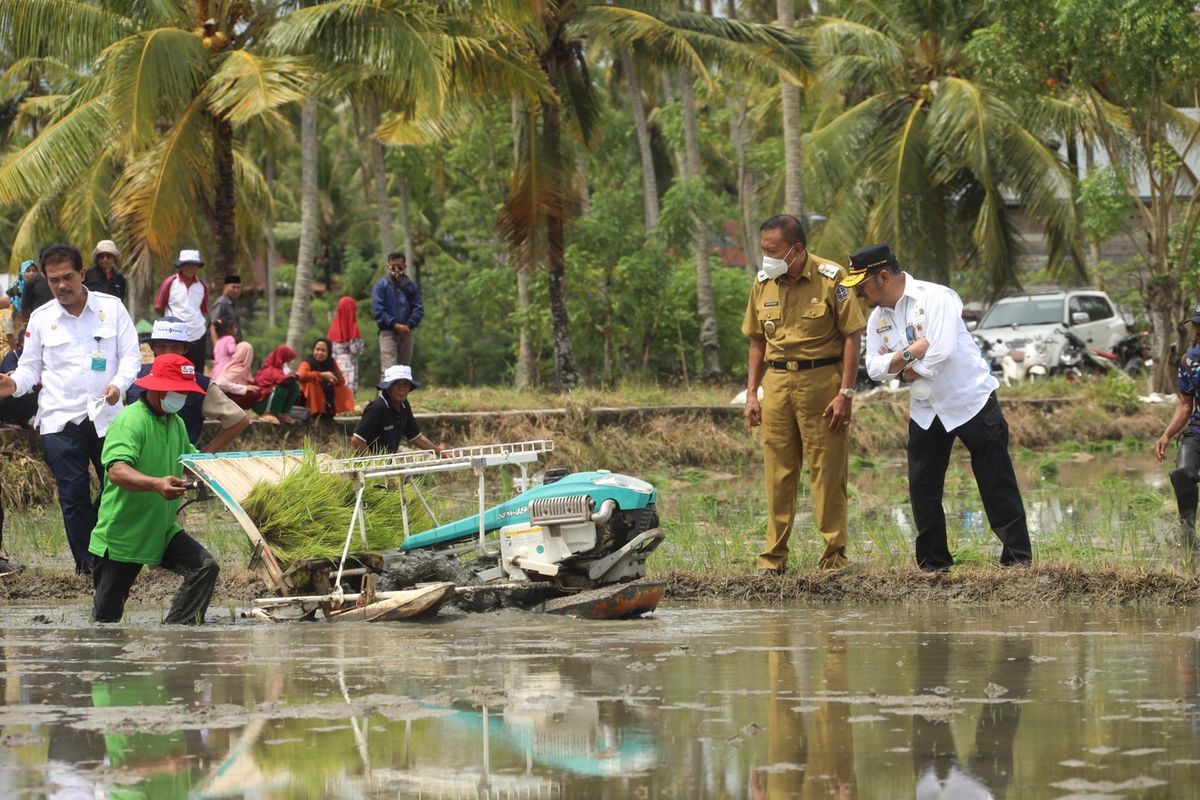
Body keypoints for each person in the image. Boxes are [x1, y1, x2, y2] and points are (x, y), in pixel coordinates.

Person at [844, 243, 1032, 572]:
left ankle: (1017, 559)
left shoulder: (936, 298)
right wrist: (908, 356)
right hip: (926, 407)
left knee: (995, 479)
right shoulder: (878, 319)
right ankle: (934, 564)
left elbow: (942, 350)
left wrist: (907, 370)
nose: (860, 294)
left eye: (862, 286)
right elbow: (872, 368)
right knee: (922, 485)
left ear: (883, 276)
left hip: (970, 399)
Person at [0, 244, 140, 574]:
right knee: (73, 496)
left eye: (67, 277)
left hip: (109, 419)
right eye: (53, 280)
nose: (61, 286)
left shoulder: (113, 308)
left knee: (117, 490)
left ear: (82, 274)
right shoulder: (41, 318)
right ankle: (89, 568)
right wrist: (10, 384)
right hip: (59, 421)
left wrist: (118, 385)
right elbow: (29, 370)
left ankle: (111, 552)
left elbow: (131, 357)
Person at [742, 214, 865, 575]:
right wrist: (751, 393)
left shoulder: (833, 278)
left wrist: (846, 392)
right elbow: (756, 341)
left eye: (773, 250)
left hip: (822, 383)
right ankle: (773, 558)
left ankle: (833, 557)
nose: (766, 256)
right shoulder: (763, 282)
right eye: (763, 249)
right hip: (778, 385)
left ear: (796, 249)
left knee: (827, 473)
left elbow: (852, 335)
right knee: (778, 473)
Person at [89, 353, 219, 624]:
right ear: (158, 388)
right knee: (106, 625)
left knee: (204, 568)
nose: (183, 397)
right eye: (179, 391)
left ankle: (177, 634)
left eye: (185, 391)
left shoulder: (176, 423)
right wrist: (156, 483)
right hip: (124, 535)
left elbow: (190, 461)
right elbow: (117, 471)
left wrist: (215, 474)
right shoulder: (130, 421)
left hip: (162, 528)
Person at [127, 318, 250, 453]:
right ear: (153, 347)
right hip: (138, 463)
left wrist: (206, 453)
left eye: (175, 347)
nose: (168, 352)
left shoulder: (201, 384)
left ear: (185, 349)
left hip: (178, 465)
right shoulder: (134, 375)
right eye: (162, 346)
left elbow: (238, 420)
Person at [1154, 302, 1200, 551]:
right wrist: (1167, 434)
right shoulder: (1189, 361)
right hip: (1197, 431)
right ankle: (1188, 534)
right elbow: (1185, 405)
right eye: (1196, 325)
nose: (1198, 329)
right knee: (1182, 473)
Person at [351, 365, 446, 455]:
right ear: (388, 387)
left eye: (405, 384)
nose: (402, 388)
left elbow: (416, 437)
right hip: (371, 466)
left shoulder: (404, 405)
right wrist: (375, 464)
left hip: (389, 463)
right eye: (397, 384)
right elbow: (357, 440)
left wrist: (441, 452)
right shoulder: (377, 408)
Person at [153, 249, 209, 369]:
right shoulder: (170, 282)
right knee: (169, 368)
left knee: (196, 371)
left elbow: (203, 310)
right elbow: (159, 307)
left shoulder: (202, 285)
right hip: (174, 335)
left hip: (197, 334)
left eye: (193, 265)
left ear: (197, 267)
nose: (190, 268)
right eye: (187, 264)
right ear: (181, 266)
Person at [371, 252, 423, 373]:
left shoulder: (411, 286)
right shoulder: (381, 286)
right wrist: (394, 324)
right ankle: (384, 392)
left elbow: (418, 308)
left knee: (404, 371)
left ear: (404, 266)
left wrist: (409, 325)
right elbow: (378, 310)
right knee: (389, 371)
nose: (396, 269)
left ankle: (400, 392)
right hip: (388, 331)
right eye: (393, 265)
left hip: (407, 332)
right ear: (388, 265)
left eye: (399, 266)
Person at [297, 337, 354, 418]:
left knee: (344, 389)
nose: (319, 353)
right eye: (317, 349)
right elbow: (301, 375)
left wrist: (334, 380)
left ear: (328, 352)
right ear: (313, 350)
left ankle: (341, 412)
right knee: (311, 385)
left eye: (323, 350)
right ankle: (316, 413)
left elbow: (341, 380)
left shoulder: (331, 362)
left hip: (327, 389)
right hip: (309, 397)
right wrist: (321, 375)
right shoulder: (307, 362)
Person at [253, 345, 300, 424]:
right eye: (287, 359)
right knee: (281, 388)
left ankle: (281, 412)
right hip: (260, 403)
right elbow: (284, 381)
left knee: (295, 386)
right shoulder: (269, 369)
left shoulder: (281, 368)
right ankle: (268, 413)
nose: (289, 362)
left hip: (266, 400)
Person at [327, 296, 364, 394]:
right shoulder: (353, 328)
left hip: (334, 364)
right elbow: (355, 349)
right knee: (347, 395)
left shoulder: (333, 328)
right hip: (349, 365)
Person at [208, 274, 241, 346]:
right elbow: (213, 326)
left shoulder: (232, 303)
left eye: (238, 287)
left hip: (232, 346)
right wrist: (217, 349)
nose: (236, 290)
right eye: (233, 287)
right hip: (223, 348)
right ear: (225, 287)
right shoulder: (221, 303)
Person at [19, 256, 53, 324]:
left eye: (34, 271)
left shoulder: (44, 284)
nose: (31, 273)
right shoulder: (14, 291)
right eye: (28, 271)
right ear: (22, 273)